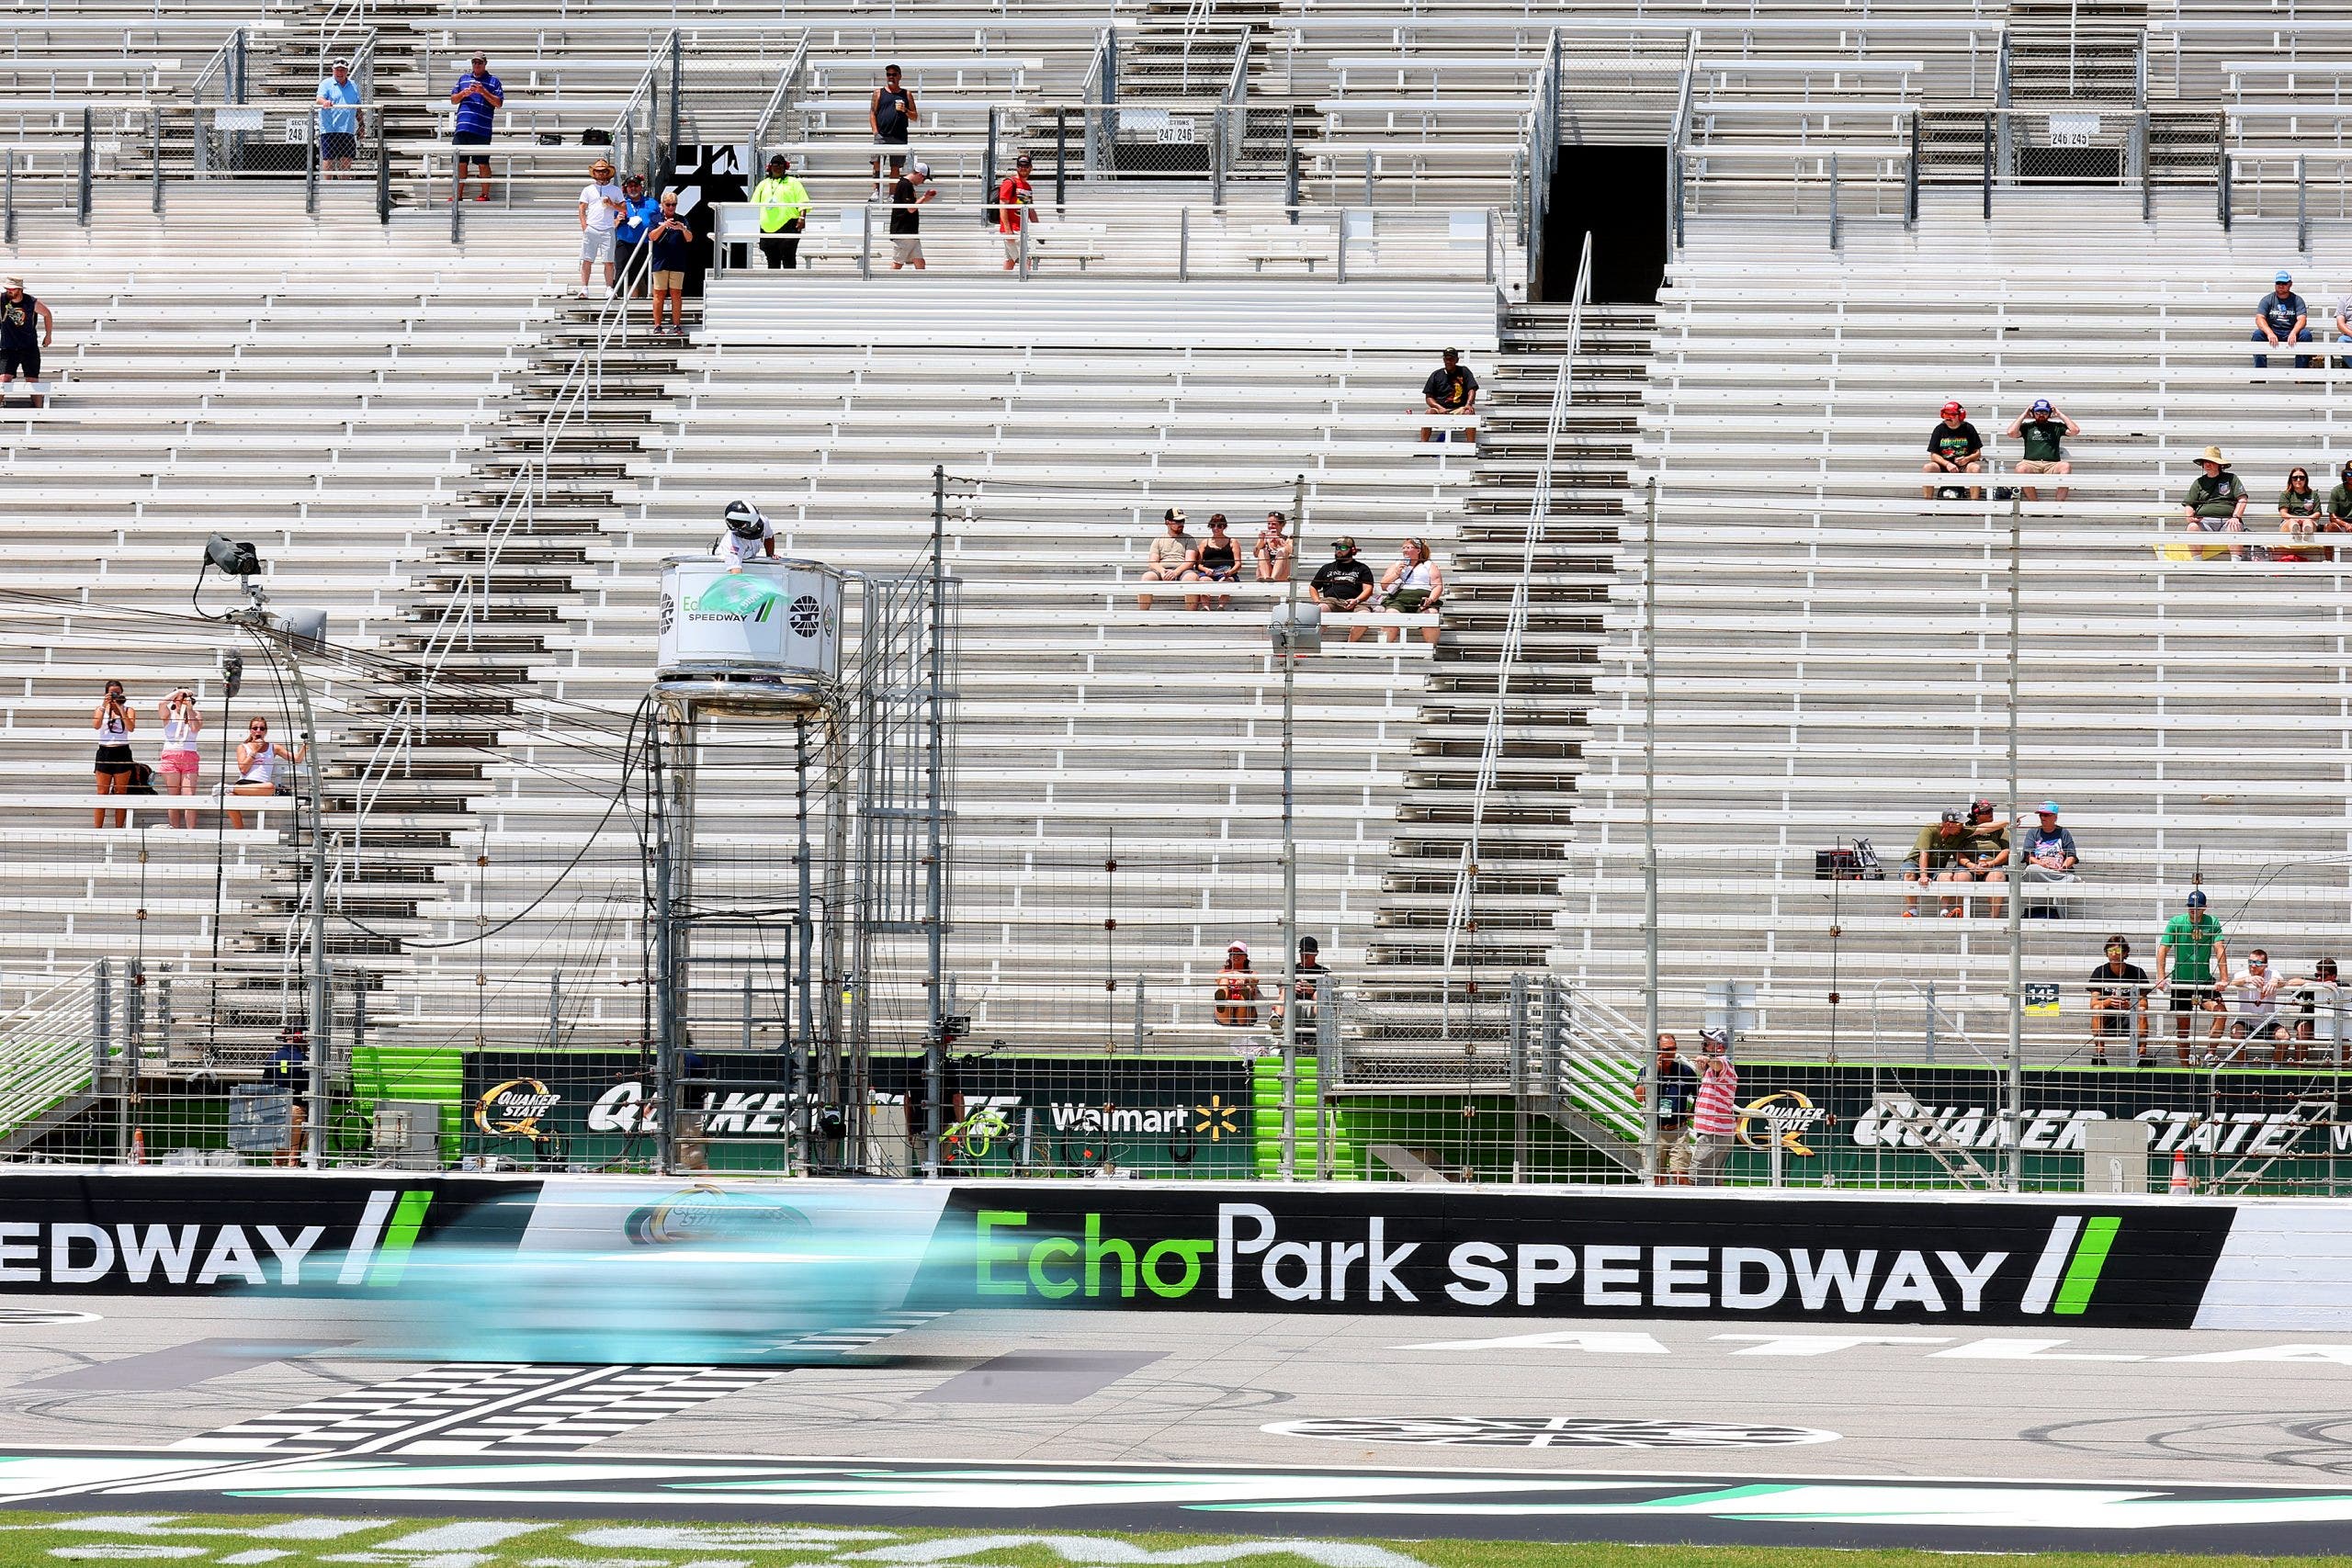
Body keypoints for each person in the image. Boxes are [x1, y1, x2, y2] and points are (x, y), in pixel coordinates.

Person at [2158, 888, 2229, 1066]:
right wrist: (2160, 976)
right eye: (2190, 906)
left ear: (2204, 908)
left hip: (2203, 981)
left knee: (2221, 1012)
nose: (2193, 910)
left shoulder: (2212, 922)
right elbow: (2163, 949)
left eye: (2197, 907)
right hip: (2181, 982)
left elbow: (2219, 948)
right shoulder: (2176, 922)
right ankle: (2185, 1068)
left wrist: (2224, 978)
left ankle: (2210, 1054)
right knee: (2183, 1029)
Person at [1631, 1031, 1700, 1183]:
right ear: (1657, 1051)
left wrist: (1693, 1111)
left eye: (1674, 1049)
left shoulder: (1686, 1071)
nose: (1671, 1053)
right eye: (1667, 1050)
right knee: (1656, 1178)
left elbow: (1699, 1094)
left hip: (1679, 1131)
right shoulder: (1647, 1071)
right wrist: (1654, 1071)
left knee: (1680, 1176)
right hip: (1654, 1130)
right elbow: (1639, 1096)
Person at [230, 716, 305, 831]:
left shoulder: (274, 747)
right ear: (250, 730)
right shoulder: (243, 747)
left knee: (270, 787)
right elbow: (243, 769)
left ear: (265, 731)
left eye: (262, 728)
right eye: (255, 728)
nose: (258, 731)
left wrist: (305, 747)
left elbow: (297, 759)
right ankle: (239, 832)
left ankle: (227, 788)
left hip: (262, 786)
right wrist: (255, 750)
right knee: (229, 798)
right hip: (244, 785)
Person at [447, 52, 504, 204]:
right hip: (463, 127)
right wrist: (463, 94)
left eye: (479, 62)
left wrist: (483, 91)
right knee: (460, 162)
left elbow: (498, 103)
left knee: (482, 162)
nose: (476, 65)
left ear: (485, 64)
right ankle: (457, 195)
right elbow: (453, 99)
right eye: (474, 62)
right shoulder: (463, 79)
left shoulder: (493, 81)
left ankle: (485, 194)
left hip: (482, 129)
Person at [2086, 936, 2151, 1066]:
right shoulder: (2100, 972)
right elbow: (2093, 1003)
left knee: (2141, 1010)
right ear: (2106, 953)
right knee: (2097, 1009)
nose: (2114, 954)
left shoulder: (2137, 972)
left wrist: (2130, 1005)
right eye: (2110, 951)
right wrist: (2108, 1002)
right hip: (2108, 1017)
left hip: (2129, 1015)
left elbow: (2144, 1003)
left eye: (2118, 951)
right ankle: (2100, 1054)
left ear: (2125, 953)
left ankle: (2142, 1055)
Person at [1689, 1029, 1739, 1187]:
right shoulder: (1715, 1068)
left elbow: (1719, 1064)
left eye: (1708, 1043)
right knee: (1715, 1179)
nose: (1704, 1046)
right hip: (1717, 1131)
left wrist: (1708, 1060)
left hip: (1714, 1132)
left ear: (1720, 1047)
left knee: (1698, 1177)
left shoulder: (1723, 1063)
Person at [2183, 445, 2251, 561]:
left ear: (2219, 464)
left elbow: (2242, 499)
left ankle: (2236, 565)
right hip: (2205, 522)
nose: (2207, 464)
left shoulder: (2232, 478)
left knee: (2235, 527)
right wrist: (2190, 517)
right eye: (2205, 462)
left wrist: (2236, 517)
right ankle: (2197, 565)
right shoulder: (2198, 482)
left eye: (2211, 461)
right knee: (2192, 527)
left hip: (2228, 521)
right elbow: (2189, 504)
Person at [1902, 809, 1973, 918]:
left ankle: (1944, 912)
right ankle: (1912, 912)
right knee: (1909, 873)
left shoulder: (1959, 833)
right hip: (1914, 863)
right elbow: (1924, 853)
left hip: (1937, 868)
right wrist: (1923, 875)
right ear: (1949, 824)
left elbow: (1983, 828)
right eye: (1960, 824)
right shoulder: (1930, 829)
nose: (1962, 827)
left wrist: (2002, 823)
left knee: (1947, 876)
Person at [2005, 398, 2076, 502]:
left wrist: (2059, 414)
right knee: (2020, 468)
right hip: (2031, 463)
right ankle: (2034, 503)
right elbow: (2011, 433)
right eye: (2038, 412)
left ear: (2050, 413)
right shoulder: (2028, 427)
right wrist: (2024, 414)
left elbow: (2075, 431)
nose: (2041, 415)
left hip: (2052, 464)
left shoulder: (2056, 426)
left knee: (2066, 466)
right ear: (2033, 413)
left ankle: (2058, 505)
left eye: (2044, 412)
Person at [2220, 948, 2289, 1055]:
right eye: (2250, 962)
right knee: (2236, 1035)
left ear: (2265, 965)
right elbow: (2233, 982)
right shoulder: (2242, 974)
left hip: (2268, 1021)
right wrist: (2248, 979)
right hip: (2245, 1020)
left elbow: (2283, 982)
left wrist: (2275, 981)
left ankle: (2275, 1064)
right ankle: (2243, 1064)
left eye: (2258, 963)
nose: (2253, 965)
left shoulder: (2272, 973)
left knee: (2285, 1038)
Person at [1375, 536, 1443, 645]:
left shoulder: (1428, 565)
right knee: (1390, 614)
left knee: (1431, 614)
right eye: (1403, 548)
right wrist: (1396, 573)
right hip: (1399, 600)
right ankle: (1384, 648)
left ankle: (1431, 649)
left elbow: (1438, 586)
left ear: (1418, 550)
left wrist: (1430, 599)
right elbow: (1384, 585)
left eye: (1408, 547)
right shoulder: (1397, 564)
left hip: (1422, 600)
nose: (1405, 550)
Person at [1309, 536, 1378, 641]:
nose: (1339, 551)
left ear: (1352, 550)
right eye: (1337, 547)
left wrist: (1356, 600)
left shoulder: (1362, 568)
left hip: (1357, 603)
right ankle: (1311, 643)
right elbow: (1313, 586)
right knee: (1320, 610)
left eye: (1343, 548)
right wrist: (1317, 600)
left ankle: (1350, 645)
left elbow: (1368, 589)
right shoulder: (1327, 568)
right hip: (1331, 602)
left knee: (1364, 616)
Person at [645, 192, 694, 338]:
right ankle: (657, 325)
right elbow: (651, 236)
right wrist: (664, 226)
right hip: (660, 262)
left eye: (674, 205)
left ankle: (677, 325)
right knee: (659, 294)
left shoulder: (682, 219)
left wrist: (682, 229)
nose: (671, 207)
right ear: (662, 205)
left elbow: (690, 239)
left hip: (677, 262)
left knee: (676, 294)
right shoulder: (656, 219)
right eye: (668, 205)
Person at [1952, 796, 2010, 919]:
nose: (1991, 813)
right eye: (1986, 812)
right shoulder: (1966, 829)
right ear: (1977, 815)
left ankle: (1993, 919)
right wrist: (1970, 865)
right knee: (1960, 877)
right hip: (1968, 865)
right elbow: (1956, 852)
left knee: (1997, 878)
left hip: (1993, 865)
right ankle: (1960, 915)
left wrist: (1991, 863)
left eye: (1991, 810)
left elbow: (2006, 850)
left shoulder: (2000, 829)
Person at [2, 276, 54, 409]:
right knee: (3, 380)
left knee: (33, 380)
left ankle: (39, 412)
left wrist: (48, 335)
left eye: (12, 289)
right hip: (8, 347)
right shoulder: (2, 299)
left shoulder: (31, 302)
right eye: (7, 288)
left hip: (29, 347)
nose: (9, 291)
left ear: (19, 290)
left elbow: (47, 314)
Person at [751, 154, 809, 270]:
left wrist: (802, 218)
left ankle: (790, 280)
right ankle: (773, 281)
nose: (778, 167)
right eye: (775, 164)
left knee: (788, 257)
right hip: (767, 228)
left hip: (789, 225)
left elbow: (803, 201)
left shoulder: (793, 182)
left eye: (781, 165)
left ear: (785, 167)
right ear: (770, 167)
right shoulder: (763, 184)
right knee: (772, 260)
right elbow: (753, 205)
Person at [91, 679, 136, 829]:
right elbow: (96, 725)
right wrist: (105, 705)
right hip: (105, 751)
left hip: (122, 751)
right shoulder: (100, 709)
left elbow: (131, 728)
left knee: (121, 792)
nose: (115, 695)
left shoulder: (129, 709)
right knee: (102, 792)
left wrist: (120, 708)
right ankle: (98, 829)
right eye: (112, 693)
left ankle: (119, 829)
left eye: (118, 692)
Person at [576, 159, 626, 293]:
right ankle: (584, 288)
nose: (601, 173)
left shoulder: (615, 190)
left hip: (608, 228)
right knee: (587, 260)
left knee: (609, 261)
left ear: (608, 172)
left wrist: (611, 204)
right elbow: (582, 208)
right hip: (591, 227)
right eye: (598, 171)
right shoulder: (588, 189)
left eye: (604, 171)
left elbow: (623, 208)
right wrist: (584, 226)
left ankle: (609, 288)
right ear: (594, 173)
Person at [2016, 799, 2079, 904]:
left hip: (2058, 870)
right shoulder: (2033, 832)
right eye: (2041, 815)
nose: (2042, 818)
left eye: (2046, 815)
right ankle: (2068, 880)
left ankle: (2061, 882)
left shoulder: (2064, 832)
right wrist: (2043, 865)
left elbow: (2072, 856)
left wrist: (2063, 867)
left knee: (2059, 887)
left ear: (2055, 817)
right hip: (2040, 870)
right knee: (2031, 869)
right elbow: (2028, 856)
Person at [157, 688, 203, 829]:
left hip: (189, 756)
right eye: (179, 699)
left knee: (189, 795)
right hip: (171, 756)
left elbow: (195, 728)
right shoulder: (169, 714)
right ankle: (174, 829)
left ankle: (191, 831)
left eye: (184, 698)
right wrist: (179, 692)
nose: (181, 701)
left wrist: (189, 709)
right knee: (174, 795)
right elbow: (161, 703)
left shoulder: (195, 714)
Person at [1269, 934, 1330, 1040]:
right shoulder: (1290, 970)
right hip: (1293, 1006)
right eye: (1302, 951)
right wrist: (1293, 988)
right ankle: (1277, 1019)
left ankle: (1321, 1021)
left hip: (1313, 1008)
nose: (1305, 954)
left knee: (1319, 993)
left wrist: (1312, 991)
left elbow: (1330, 993)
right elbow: (1280, 989)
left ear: (1316, 953)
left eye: (1309, 951)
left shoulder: (1324, 972)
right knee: (1286, 990)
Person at [1137, 509, 1200, 611]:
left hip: (1182, 570)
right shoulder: (1158, 539)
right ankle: (1143, 614)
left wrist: (1175, 572)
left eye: (1183, 521)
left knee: (1192, 578)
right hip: (1162, 570)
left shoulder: (1189, 539)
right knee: (1146, 577)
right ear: (1167, 522)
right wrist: (1163, 571)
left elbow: (1190, 561)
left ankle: (1190, 615)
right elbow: (1153, 562)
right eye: (1178, 521)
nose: (1181, 524)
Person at [1920, 400, 1984, 500]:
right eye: (1945, 414)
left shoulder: (1968, 428)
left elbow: (1977, 453)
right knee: (1928, 468)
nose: (1948, 417)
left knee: (1976, 468)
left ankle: (1974, 504)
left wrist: (1967, 459)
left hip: (1964, 465)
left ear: (1960, 416)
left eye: (1952, 415)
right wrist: (1947, 464)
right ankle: (1927, 503)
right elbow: (1933, 455)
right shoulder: (1939, 429)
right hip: (1943, 465)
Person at [870, 63, 919, 191]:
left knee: (895, 167)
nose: (891, 77)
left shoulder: (906, 94)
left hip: (899, 136)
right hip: (882, 135)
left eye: (894, 74)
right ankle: (876, 192)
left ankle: (892, 195)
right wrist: (875, 132)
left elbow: (915, 116)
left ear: (900, 76)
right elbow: (872, 113)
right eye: (888, 74)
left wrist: (905, 110)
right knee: (877, 164)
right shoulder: (878, 93)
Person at [2289, 956, 2343, 1066]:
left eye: (2323, 976)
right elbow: (2291, 982)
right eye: (2317, 975)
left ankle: (2344, 1068)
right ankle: (2300, 1067)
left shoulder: (2342, 986)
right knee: (2302, 1028)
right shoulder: (2312, 984)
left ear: (2334, 976)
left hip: (2333, 1023)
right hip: (2310, 1023)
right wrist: (2319, 984)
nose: (2318, 978)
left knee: (2344, 1032)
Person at [313, 59, 363, 179]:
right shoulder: (326, 84)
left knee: (346, 159)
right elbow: (319, 99)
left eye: (342, 70)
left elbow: (358, 107)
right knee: (328, 158)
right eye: (337, 70)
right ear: (333, 70)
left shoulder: (353, 86)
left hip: (347, 129)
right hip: (329, 128)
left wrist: (362, 125)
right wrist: (325, 102)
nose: (340, 73)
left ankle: (343, 186)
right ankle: (327, 186)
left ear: (347, 71)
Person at [2254, 270, 2312, 369]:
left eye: (2284, 283)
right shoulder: (2267, 299)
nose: (2281, 286)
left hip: (2291, 331)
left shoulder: (2297, 300)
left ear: (2290, 284)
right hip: (2274, 331)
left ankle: (2300, 373)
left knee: (2306, 335)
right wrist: (2269, 333)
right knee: (2257, 334)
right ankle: (2260, 372)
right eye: (2278, 283)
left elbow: (2302, 319)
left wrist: (2294, 332)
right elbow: (2259, 318)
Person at [1420, 348, 1478, 444]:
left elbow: (1472, 389)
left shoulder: (1464, 371)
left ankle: (1471, 445)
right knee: (1429, 412)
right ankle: (1423, 445)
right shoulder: (1436, 375)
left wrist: (1468, 404)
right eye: (1446, 359)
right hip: (1440, 408)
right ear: (1444, 359)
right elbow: (1429, 397)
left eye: (1451, 359)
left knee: (1469, 412)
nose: (1448, 361)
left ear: (1457, 360)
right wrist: (1439, 407)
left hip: (1459, 408)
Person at [613, 174, 655, 298]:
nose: (633, 189)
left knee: (651, 274)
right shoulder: (620, 204)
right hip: (625, 244)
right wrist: (618, 219)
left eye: (635, 186)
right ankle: (630, 301)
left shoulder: (651, 203)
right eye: (630, 186)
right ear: (626, 189)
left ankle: (655, 301)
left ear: (640, 187)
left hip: (646, 244)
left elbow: (658, 221)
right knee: (627, 275)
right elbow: (611, 225)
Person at [888, 161, 933, 270]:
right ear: (920, 175)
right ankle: (886, 280)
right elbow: (911, 208)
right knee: (897, 263)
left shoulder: (907, 185)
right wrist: (924, 198)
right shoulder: (905, 185)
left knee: (920, 263)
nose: (923, 182)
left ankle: (923, 281)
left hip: (910, 232)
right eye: (924, 179)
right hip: (904, 232)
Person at [2278, 467, 2325, 562]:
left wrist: (2305, 519)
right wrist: (2297, 519)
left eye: (2302, 477)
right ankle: (2296, 531)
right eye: (2295, 478)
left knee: (2308, 522)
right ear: (2291, 480)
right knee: (2292, 521)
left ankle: (2306, 531)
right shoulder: (2286, 494)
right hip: (2289, 522)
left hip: (2309, 520)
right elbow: (2283, 514)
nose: (2298, 480)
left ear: (2306, 479)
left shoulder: (2313, 494)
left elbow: (2317, 513)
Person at [997, 153, 1035, 271]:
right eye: (1020, 166)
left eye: (1026, 166)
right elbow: (1002, 206)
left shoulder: (1027, 187)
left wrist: (1038, 227)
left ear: (1031, 168)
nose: (1023, 168)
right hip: (1013, 230)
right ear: (1017, 167)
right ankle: (1027, 283)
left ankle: (1002, 282)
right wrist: (1008, 231)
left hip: (1021, 228)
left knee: (1010, 261)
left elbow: (1030, 209)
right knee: (1026, 260)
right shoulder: (1010, 183)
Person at [1195, 514, 1240, 610]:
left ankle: (1221, 607)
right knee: (1203, 581)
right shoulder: (1204, 542)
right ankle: (1206, 607)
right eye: (1213, 525)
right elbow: (1198, 564)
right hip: (1208, 573)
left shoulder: (1233, 542)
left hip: (1226, 573)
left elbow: (1238, 564)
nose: (1215, 528)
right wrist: (1206, 570)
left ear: (1224, 527)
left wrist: (1230, 572)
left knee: (1226, 581)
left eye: (1219, 526)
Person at [717, 499, 776, 569]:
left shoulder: (763, 521)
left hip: (748, 562)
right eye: (752, 527)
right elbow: (735, 570)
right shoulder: (732, 543)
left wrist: (770, 556)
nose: (757, 528)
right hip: (724, 567)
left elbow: (768, 537)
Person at [1213, 941, 1260, 1027]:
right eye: (1232, 953)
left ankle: (1245, 994)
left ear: (1245, 956)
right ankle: (1222, 998)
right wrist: (1236, 975)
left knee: (1247, 987)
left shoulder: (1251, 973)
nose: (1235, 956)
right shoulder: (1222, 972)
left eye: (1239, 953)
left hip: (1245, 1014)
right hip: (1226, 1013)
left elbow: (1255, 979)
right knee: (1224, 980)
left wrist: (1244, 979)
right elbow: (1218, 978)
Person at [1254, 511, 1294, 582]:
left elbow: (1293, 553)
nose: (1270, 526)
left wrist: (1282, 542)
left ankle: (1273, 578)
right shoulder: (1265, 539)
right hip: (1266, 573)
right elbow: (1255, 554)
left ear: (1282, 525)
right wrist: (1260, 542)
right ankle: (1266, 578)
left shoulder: (1288, 539)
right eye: (1269, 523)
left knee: (1283, 550)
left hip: (1282, 574)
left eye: (1274, 524)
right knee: (1262, 551)